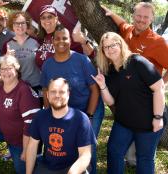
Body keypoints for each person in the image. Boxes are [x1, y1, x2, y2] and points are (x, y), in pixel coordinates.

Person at [103, 2, 168, 166]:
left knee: (144, 157)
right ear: (133, 16)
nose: (141, 20)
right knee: (119, 151)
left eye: (146, 17)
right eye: (138, 16)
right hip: (126, 103)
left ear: (152, 18)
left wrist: (160, 84)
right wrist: (109, 13)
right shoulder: (128, 31)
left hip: (149, 102)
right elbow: (121, 23)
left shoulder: (158, 42)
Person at [92, 32, 166, 174]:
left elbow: (159, 88)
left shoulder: (137, 62)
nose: (110, 49)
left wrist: (158, 118)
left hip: (148, 121)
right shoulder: (109, 71)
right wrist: (102, 86)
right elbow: (111, 101)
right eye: (106, 47)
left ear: (120, 44)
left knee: (144, 158)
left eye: (113, 45)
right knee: (114, 151)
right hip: (124, 121)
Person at [40, 25, 101, 173]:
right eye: (58, 38)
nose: (61, 41)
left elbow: (94, 89)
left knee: (87, 149)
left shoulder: (82, 60)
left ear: (70, 40)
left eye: (65, 38)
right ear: (52, 41)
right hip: (62, 113)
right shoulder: (48, 64)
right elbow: (46, 90)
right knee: (66, 146)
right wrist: (49, 114)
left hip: (88, 109)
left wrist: (90, 116)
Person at [26, 78, 95, 174]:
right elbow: (32, 146)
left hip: (74, 167)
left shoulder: (81, 119)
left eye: (61, 92)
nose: (57, 95)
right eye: (53, 92)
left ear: (68, 94)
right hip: (48, 166)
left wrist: (72, 172)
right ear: (47, 95)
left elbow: (85, 154)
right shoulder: (40, 117)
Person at [35, 5, 95, 69]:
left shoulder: (65, 35)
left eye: (50, 17)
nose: (46, 20)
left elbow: (91, 54)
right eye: (43, 18)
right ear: (40, 21)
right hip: (46, 77)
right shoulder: (41, 38)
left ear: (56, 19)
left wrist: (83, 41)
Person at [2, 11, 41, 96]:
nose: (20, 26)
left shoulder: (36, 42)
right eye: (16, 23)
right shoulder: (7, 45)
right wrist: (6, 58)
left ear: (27, 25)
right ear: (12, 25)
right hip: (16, 87)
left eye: (23, 23)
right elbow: (2, 68)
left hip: (36, 85)